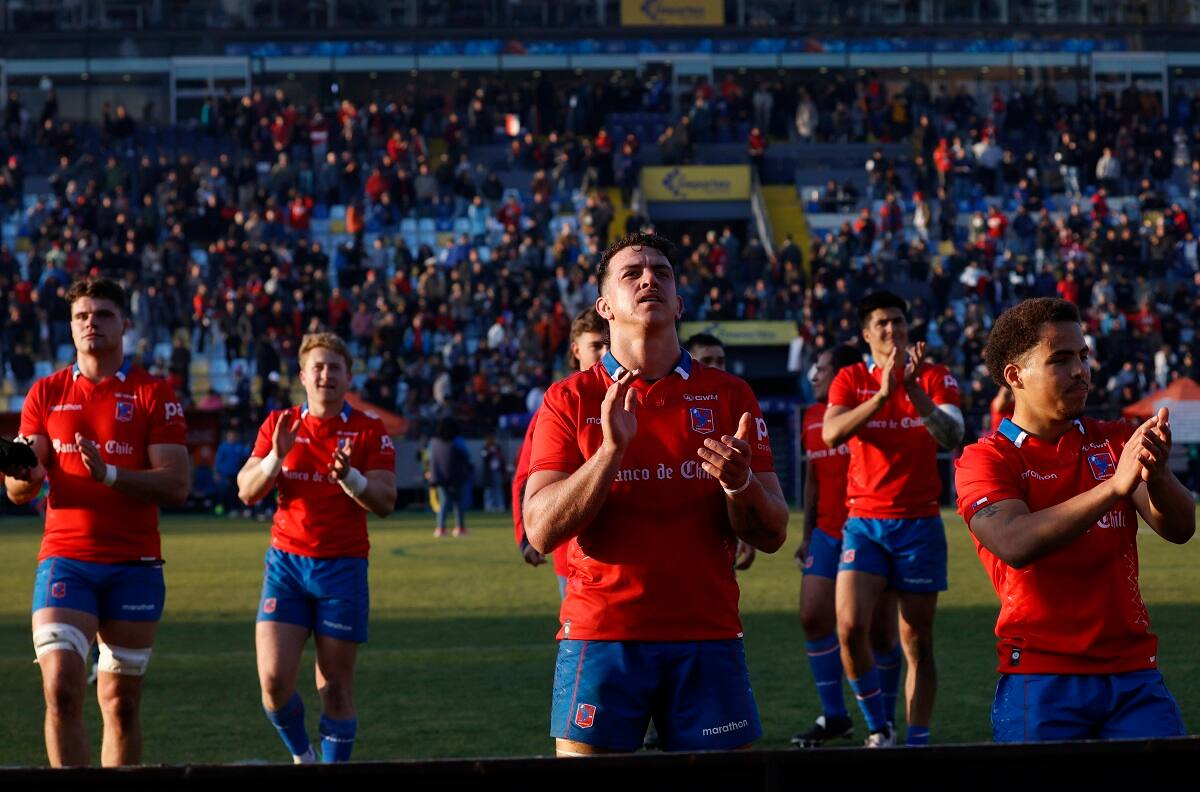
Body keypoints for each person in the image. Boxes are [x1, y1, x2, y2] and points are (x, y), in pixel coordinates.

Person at [523, 232, 789, 755]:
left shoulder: (730, 395)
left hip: (707, 635)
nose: (649, 279)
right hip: (601, 636)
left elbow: (773, 531)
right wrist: (610, 452)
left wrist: (740, 483)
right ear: (605, 307)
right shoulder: (568, 398)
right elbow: (540, 529)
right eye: (632, 273)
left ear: (679, 303)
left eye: (662, 273)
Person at [955, 298, 1193, 742]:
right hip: (1041, 677)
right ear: (1015, 376)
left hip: (1132, 674)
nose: (1081, 371)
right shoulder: (985, 459)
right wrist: (1113, 488)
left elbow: (1179, 529)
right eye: (1060, 360)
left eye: (1083, 356)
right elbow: (1013, 541)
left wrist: (1158, 476)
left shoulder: (1114, 441)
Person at [3, 276, 190, 767]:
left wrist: (108, 475)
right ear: (70, 327)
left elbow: (176, 484)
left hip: (135, 564)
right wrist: (23, 473)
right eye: (82, 316)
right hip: (66, 560)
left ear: (124, 324)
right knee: (62, 689)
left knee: (120, 704)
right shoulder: (46, 392)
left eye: (103, 314)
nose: (92, 323)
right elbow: (22, 488)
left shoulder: (153, 393)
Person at [237, 333, 397, 764]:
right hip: (287, 567)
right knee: (273, 683)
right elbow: (246, 490)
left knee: (336, 688)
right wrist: (275, 458)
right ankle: (303, 756)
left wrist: (350, 478)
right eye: (318, 367)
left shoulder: (368, 429)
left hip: (342, 569)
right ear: (303, 376)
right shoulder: (280, 424)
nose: (326, 375)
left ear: (349, 377)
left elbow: (385, 500)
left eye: (334, 367)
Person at [822, 290, 963, 747]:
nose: (892, 329)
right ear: (867, 334)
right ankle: (878, 726)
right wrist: (883, 395)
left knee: (916, 641)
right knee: (849, 628)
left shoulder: (936, 375)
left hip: (919, 524)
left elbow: (952, 435)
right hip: (865, 522)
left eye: (898, 321)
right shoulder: (849, 378)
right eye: (881, 323)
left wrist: (913, 389)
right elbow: (831, 433)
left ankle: (917, 739)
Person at [792, 345, 900, 747]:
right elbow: (814, 478)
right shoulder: (811, 416)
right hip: (826, 532)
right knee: (812, 617)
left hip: (868, 530)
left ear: (841, 376)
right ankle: (836, 716)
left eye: (821, 369)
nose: (814, 375)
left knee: (880, 635)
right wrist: (807, 534)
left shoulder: (868, 412)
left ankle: (884, 723)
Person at [512, 308, 608, 598]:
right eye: (596, 346)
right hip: (573, 555)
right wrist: (526, 537)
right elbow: (526, 477)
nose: (605, 353)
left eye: (609, 344)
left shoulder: (634, 394)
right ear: (576, 350)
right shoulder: (560, 403)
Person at [685, 332, 755, 571]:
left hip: (721, 527)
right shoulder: (674, 401)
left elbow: (748, 474)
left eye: (721, 361)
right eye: (707, 361)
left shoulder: (734, 401)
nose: (716, 366)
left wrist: (746, 530)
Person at [427, 417, 471, 537]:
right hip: (457, 475)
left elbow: (430, 459)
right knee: (458, 502)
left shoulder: (433, 442)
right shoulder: (457, 440)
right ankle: (460, 528)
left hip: (440, 476)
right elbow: (466, 455)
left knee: (444, 502)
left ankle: (440, 528)